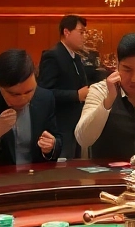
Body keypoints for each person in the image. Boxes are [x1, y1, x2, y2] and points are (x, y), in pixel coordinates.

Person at [38, 14, 103, 159]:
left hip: (77, 123)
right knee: (64, 169)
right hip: (61, 125)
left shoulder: (76, 57)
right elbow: (44, 92)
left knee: (76, 166)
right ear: (66, 32)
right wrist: (76, 95)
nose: (84, 36)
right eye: (81, 32)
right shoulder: (53, 56)